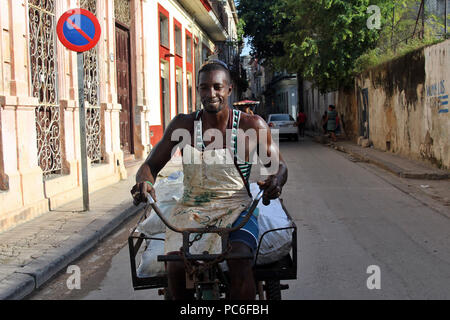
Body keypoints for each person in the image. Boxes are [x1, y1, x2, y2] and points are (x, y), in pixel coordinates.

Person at [131, 59, 288, 300]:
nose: (211, 93)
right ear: (198, 90)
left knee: (240, 259)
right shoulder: (182, 124)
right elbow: (151, 165)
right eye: (204, 87)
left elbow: (279, 167)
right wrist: (146, 182)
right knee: (175, 264)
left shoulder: (251, 125)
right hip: (191, 208)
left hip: (238, 209)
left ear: (229, 89)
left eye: (217, 87)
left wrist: (276, 181)